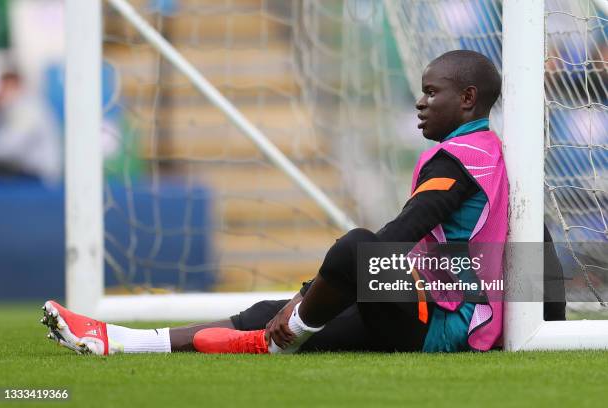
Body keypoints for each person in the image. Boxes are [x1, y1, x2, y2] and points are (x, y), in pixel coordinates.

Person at [41, 50, 563, 356]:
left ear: (468, 100)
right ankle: (122, 341)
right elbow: (536, 248)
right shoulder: (489, 153)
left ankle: (289, 330)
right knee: (266, 313)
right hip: (432, 310)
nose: (420, 102)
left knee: (354, 248)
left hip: (443, 327)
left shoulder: (463, 158)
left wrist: (317, 290)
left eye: (431, 92)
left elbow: (391, 242)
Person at [0, 69, 61, 184]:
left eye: (6, 87)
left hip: (39, 178)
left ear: (17, 86)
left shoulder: (30, 109)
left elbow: (11, 146)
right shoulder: (11, 109)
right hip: (24, 173)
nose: (2, 93)